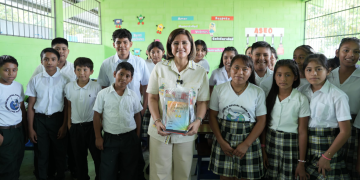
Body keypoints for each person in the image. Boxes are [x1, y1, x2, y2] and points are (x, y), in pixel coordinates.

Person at [147, 28, 210, 180]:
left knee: (183, 171)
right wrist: (157, 121)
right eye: (175, 43)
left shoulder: (200, 72)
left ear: (191, 46)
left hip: (186, 131)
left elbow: (202, 102)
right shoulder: (160, 68)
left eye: (184, 43)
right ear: (170, 46)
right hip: (160, 129)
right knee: (159, 173)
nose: (180, 46)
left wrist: (198, 121)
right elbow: (152, 98)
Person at [97, 28, 149, 179]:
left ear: (131, 43)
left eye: (125, 42)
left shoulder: (140, 62)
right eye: (118, 42)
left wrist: (143, 108)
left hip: (135, 112)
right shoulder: (106, 64)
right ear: (113, 44)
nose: (122, 46)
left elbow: (145, 86)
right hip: (112, 116)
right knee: (111, 155)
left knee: (133, 154)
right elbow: (103, 87)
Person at [208, 55, 266, 179]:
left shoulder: (257, 92)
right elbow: (212, 116)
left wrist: (246, 144)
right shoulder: (219, 90)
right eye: (236, 68)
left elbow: (261, 120)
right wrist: (221, 141)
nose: (240, 72)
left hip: (249, 139)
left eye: (245, 69)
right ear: (229, 69)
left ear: (251, 72)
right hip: (224, 138)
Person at [299, 54, 351, 179]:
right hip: (305, 144)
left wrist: (327, 156)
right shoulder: (301, 91)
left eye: (318, 69)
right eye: (309, 70)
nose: (314, 73)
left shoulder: (337, 95)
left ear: (328, 71)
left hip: (328, 146)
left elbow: (345, 131)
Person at [93, 62, 142, 180]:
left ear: (131, 79)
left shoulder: (133, 95)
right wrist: (98, 137)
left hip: (129, 137)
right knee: (108, 170)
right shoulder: (103, 94)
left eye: (127, 76)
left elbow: (137, 116)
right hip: (110, 138)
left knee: (129, 169)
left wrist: (137, 136)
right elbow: (96, 115)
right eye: (121, 74)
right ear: (115, 74)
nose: (123, 78)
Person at [261, 60, 310, 180]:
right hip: (270, 142)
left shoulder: (301, 99)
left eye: (288, 75)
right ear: (275, 77)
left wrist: (301, 162)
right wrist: (263, 149)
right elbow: (264, 125)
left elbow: (303, 131)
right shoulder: (269, 97)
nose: (283, 79)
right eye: (279, 74)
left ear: (295, 77)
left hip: (291, 144)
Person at [26, 48, 70, 180]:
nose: (49, 62)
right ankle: (42, 176)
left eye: (53, 59)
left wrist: (64, 125)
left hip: (58, 120)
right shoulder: (35, 80)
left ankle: (60, 175)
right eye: (46, 59)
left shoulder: (65, 79)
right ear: (41, 61)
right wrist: (31, 128)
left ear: (58, 61)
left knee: (59, 152)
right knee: (41, 153)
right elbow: (31, 106)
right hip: (40, 121)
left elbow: (67, 105)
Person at [327, 37, 360, 180]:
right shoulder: (328, 76)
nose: (351, 55)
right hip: (329, 126)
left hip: (353, 128)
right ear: (337, 52)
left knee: (349, 168)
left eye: (356, 52)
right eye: (346, 50)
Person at [64, 57, 101, 180]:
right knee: (79, 158)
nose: (82, 73)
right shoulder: (69, 87)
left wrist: (99, 127)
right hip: (76, 127)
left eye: (85, 70)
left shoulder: (96, 87)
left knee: (97, 156)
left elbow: (100, 109)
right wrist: (69, 124)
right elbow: (69, 106)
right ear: (74, 71)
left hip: (92, 127)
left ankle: (99, 177)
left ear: (91, 71)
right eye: (78, 69)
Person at [0, 55, 27, 180]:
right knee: (6, 167)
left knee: (17, 162)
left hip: (18, 130)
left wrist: (25, 129)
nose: (11, 73)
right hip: (4, 131)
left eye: (14, 70)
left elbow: (21, 108)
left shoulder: (18, 86)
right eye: (6, 70)